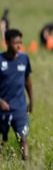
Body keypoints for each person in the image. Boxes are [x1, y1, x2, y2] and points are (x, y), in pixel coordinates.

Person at [0, 29, 33, 160]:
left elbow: (28, 81)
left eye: (20, 42)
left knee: (23, 139)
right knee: (2, 141)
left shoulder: (24, 59)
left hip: (20, 108)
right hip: (2, 110)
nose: (18, 46)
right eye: (15, 43)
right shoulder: (0, 60)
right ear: (7, 42)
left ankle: (26, 166)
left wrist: (31, 101)